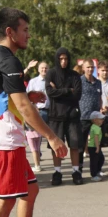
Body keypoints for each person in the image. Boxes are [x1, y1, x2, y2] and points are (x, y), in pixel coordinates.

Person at [0, 8, 68, 217]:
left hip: (1, 135)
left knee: (30, 190)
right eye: (25, 30)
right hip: (3, 139)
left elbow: (4, 97)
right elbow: (23, 109)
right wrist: (52, 137)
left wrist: (29, 97)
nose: (29, 34)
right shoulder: (8, 60)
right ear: (10, 32)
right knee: (5, 199)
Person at [46, 48, 83, 186]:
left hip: (72, 116)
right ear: (57, 59)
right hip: (56, 116)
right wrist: (67, 90)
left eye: (66, 59)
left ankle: (76, 171)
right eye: (61, 58)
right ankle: (57, 172)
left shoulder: (75, 75)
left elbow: (77, 95)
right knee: (57, 147)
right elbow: (50, 93)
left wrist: (58, 91)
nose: (64, 61)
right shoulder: (51, 74)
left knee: (74, 145)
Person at [78, 59, 102, 174]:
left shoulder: (98, 82)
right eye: (88, 67)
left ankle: (95, 171)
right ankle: (78, 170)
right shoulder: (79, 81)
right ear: (83, 68)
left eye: (92, 67)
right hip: (82, 118)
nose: (90, 69)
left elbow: (100, 98)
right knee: (81, 146)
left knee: (94, 147)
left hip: (95, 119)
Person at [25, 62, 49, 172]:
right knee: (35, 136)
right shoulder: (33, 81)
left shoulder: (51, 81)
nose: (44, 70)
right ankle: (37, 159)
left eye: (46, 68)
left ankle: (38, 157)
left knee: (47, 136)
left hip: (50, 111)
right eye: (42, 68)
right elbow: (27, 96)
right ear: (39, 70)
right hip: (38, 112)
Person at [87, 111, 106, 181]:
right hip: (94, 147)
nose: (102, 121)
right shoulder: (96, 128)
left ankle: (97, 171)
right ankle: (94, 175)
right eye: (100, 119)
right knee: (94, 161)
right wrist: (97, 147)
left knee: (100, 159)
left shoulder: (94, 127)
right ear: (95, 120)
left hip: (94, 146)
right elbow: (96, 138)